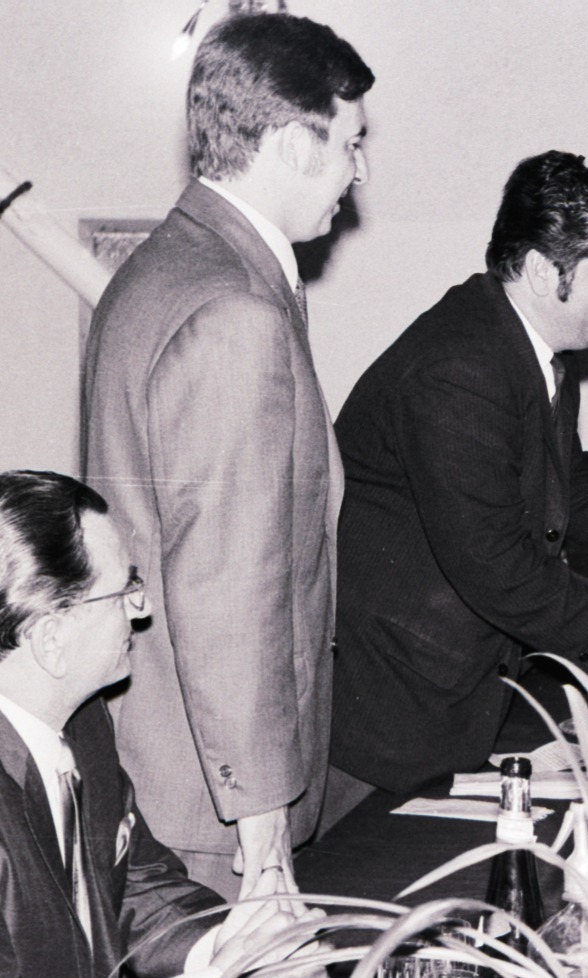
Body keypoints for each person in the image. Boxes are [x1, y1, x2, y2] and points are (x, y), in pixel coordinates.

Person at [326, 150, 588, 813]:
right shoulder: (458, 369)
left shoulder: (523, 351)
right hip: (392, 725)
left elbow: (570, 493)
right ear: (538, 270)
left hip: (458, 702)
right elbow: (494, 563)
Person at [80, 12, 374, 901]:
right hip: (215, 819)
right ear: (291, 143)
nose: (359, 174)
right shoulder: (236, 311)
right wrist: (264, 840)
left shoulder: (161, 268)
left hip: (166, 770)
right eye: (352, 144)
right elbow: (228, 588)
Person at [0, 470, 331, 978]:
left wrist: (241, 949)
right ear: (51, 639)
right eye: (124, 590)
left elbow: (132, 883)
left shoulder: (84, 722)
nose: (143, 606)